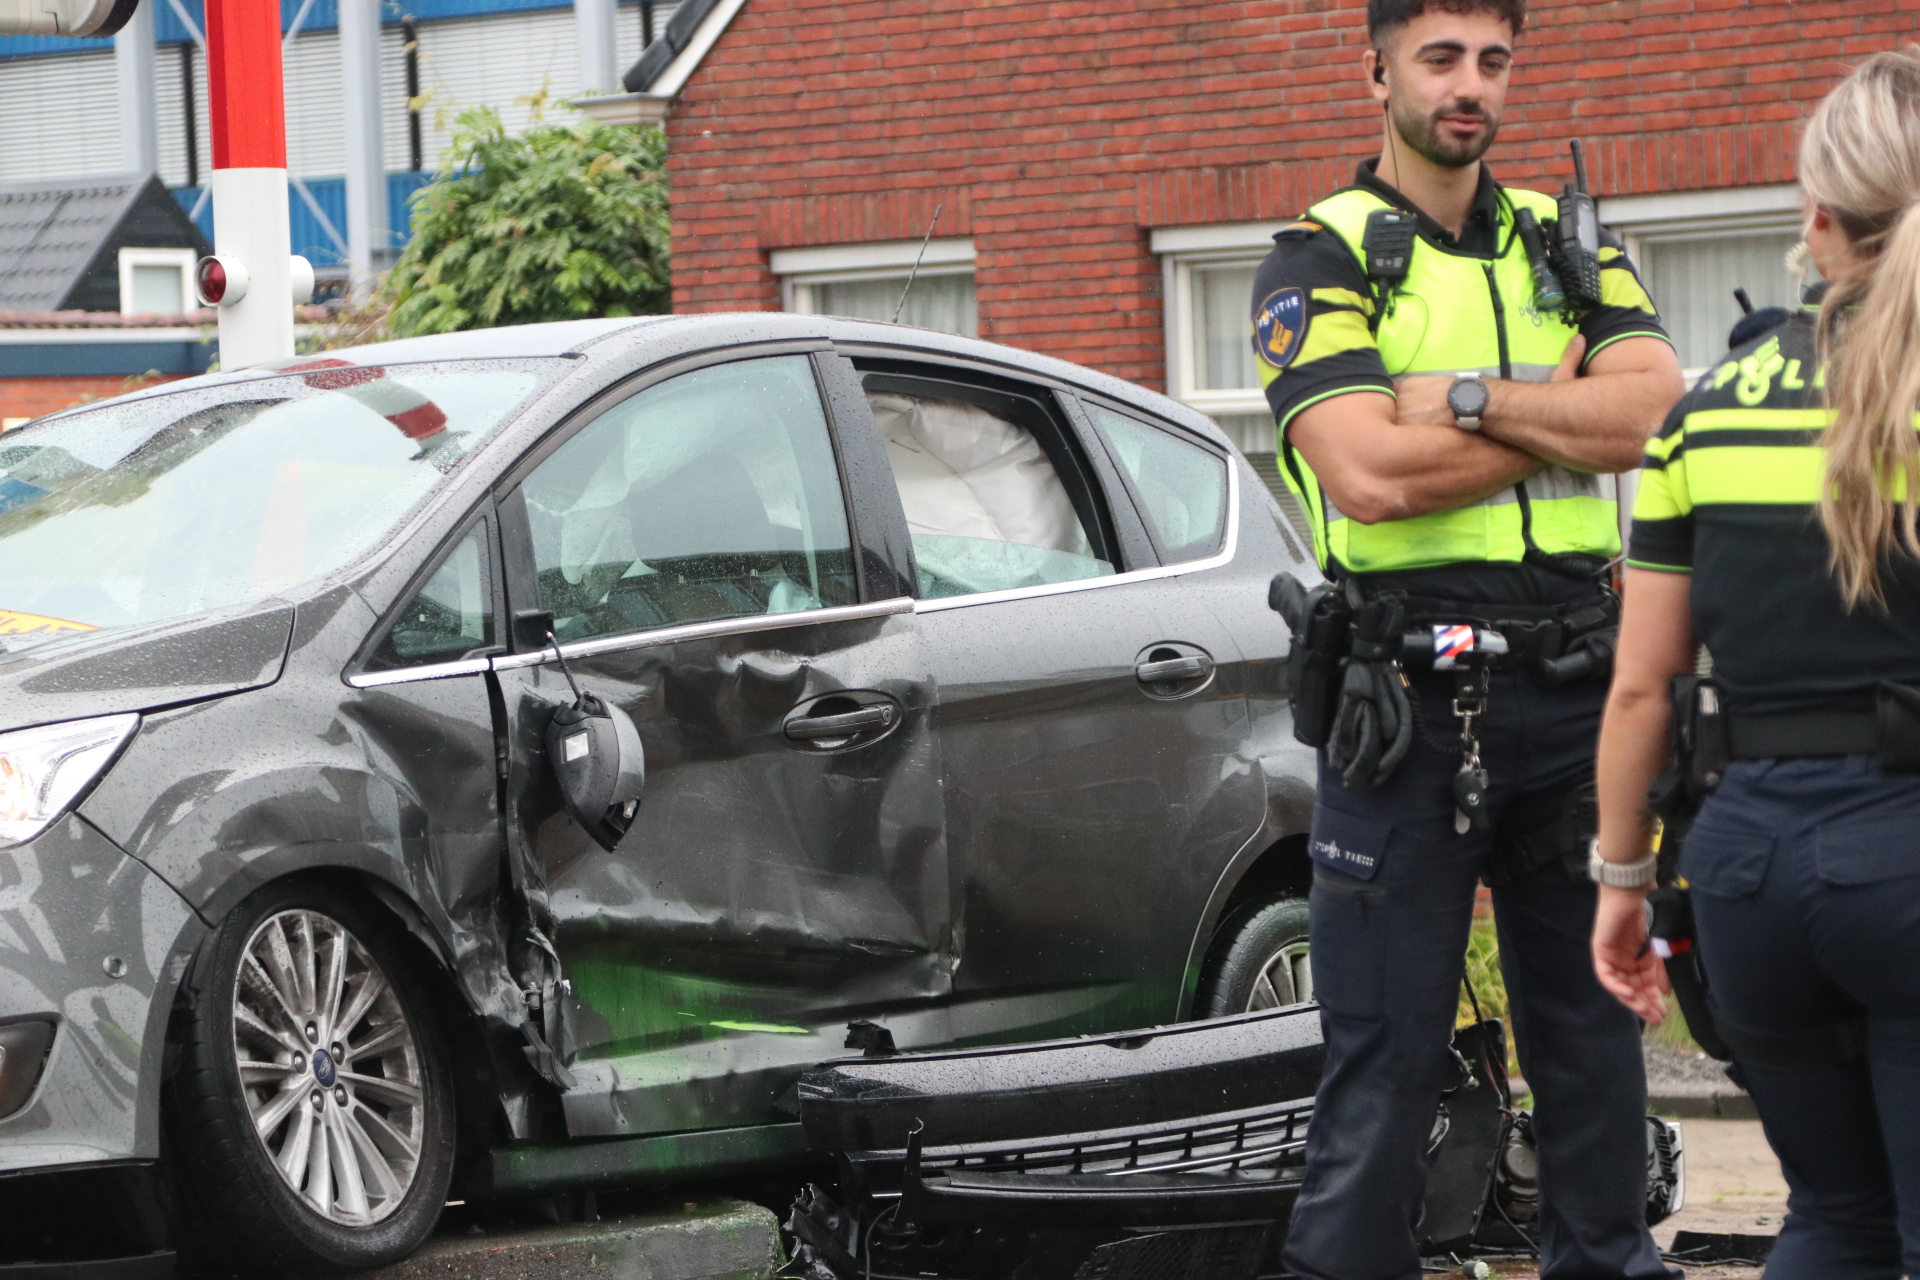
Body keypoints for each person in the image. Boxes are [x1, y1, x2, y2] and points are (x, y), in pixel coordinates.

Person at [1251, 0, 1687, 1276]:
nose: (1470, 87)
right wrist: (1563, 406)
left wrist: (1467, 398)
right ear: (1376, 65)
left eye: (1493, 61)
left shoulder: (1565, 244)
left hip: (1571, 698)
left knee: (1597, 1042)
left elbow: (1658, 413)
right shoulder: (1318, 259)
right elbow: (1367, 475)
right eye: (1442, 58)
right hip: (1405, 709)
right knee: (1382, 1058)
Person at [1593, 48, 1920, 1280]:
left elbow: (1642, 686)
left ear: (1817, 216)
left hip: (1748, 876)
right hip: (1909, 854)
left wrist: (1622, 880)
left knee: (1835, 1218)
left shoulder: (1708, 411)